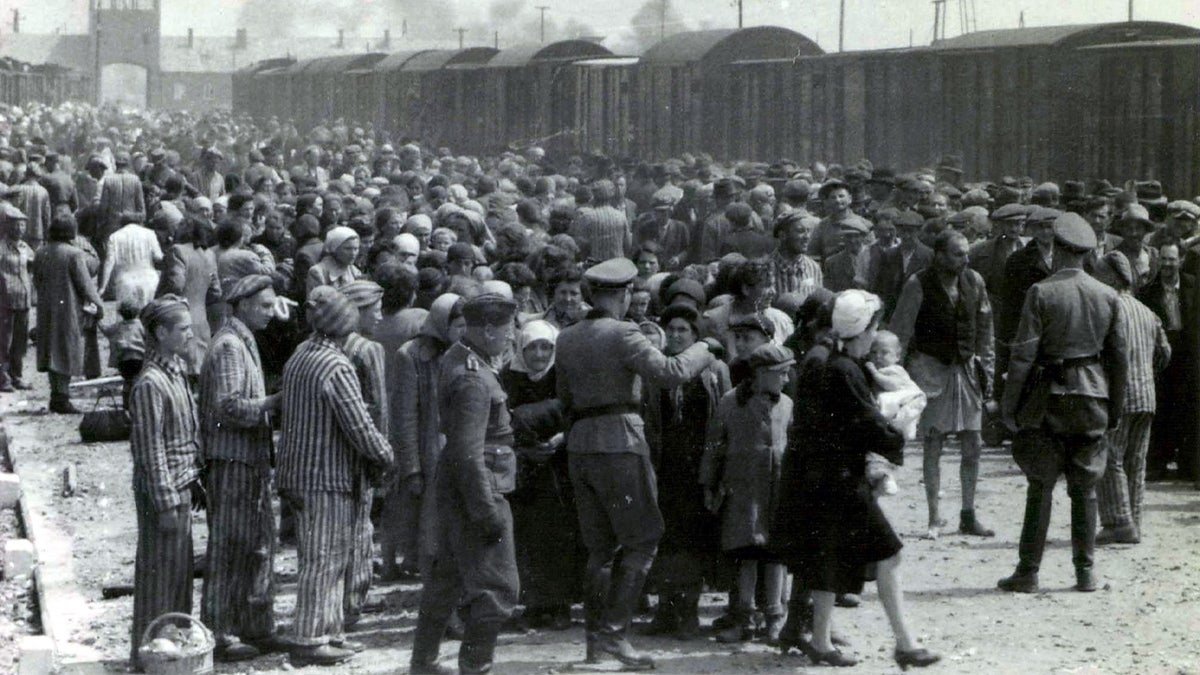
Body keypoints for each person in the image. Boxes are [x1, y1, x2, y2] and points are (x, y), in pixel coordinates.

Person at [555, 257, 717, 669]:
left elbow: (566, 398)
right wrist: (705, 346)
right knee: (643, 539)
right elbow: (670, 371)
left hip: (581, 446)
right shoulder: (624, 332)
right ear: (624, 294)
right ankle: (615, 637)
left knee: (600, 549)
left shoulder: (568, 336)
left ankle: (596, 644)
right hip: (620, 443)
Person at [782, 290, 939, 669]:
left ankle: (820, 641)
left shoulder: (832, 363)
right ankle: (904, 643)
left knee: (826, 559)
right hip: (841, 481)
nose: (875, 335)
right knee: (890, 553)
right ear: (863, 329)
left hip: (822, 479)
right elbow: (868, 425)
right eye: (873, 327)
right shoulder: (846, 370)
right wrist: (897, 434)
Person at [999, 212, 1128, 594]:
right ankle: (1085, 571)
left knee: (1040, 485)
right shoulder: (1107, 295)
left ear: (1055, 249)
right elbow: (1118, 358)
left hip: (1048, 398)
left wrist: (1009, 405)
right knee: (1084, 489)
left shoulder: (1040, 292)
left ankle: (1028, 570)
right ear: (1086, 253)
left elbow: (1022, 358)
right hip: (1093, 397)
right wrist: (1115, 409)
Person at [276, 286, 393, 666]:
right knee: (324, 559)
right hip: (326, 476)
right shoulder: (336, 366)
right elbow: (358, 426)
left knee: (322, 556)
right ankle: (310, 637)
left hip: (297, 471)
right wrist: (386, 454)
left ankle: (330, 631)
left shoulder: (300, 355)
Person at [409, 293, 521, 675]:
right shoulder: (474, 378)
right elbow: (469, 453)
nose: (512, 337)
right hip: (480, 489)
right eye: (508, 330)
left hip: (459, 489)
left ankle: (423, 663)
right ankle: (475, 668)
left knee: (447, 579)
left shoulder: (459, 356)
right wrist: (486, 511)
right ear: (488, 330)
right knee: (498, 589)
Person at [889, 230, 995, 539]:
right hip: (931, 371)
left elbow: (986, 331)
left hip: (965, 371)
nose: (964, 260)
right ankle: (934, 518)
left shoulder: (975, 281)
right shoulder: (917, 284)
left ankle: (968, 513)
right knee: (933, 444)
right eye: (957, 254)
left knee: (973, 443)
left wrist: (986, 370)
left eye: (966, 254)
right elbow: (901, 331)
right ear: (939, 255)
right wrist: (900, 380)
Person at [198, 275, 282, 661]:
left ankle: (251, 624)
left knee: (253, 545)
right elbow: (228, 407)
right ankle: (220, 631)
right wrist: (273, 404)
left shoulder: (242, 339)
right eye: (265, 305)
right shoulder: (230, 346)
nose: (271, 312)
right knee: (229, 547)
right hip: (231, 460)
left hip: (247, 459)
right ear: (243, 303)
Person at [641, 304, 730, 640]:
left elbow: (723, 420)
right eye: (672, 329)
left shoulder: (714, 369)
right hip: (666, 466)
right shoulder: (658, 370)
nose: (677, 336)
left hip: (699, 466)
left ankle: (689, 612)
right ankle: (665, 610)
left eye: (684, 330)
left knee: (695, 540)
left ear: (696, 337)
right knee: (666, 538)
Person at [128, 295, 202, 670]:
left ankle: (170, 649)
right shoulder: (150, 384)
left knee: (177, 576)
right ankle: (149, 655)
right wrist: (167, 502)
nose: (190, 335)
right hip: (165, 494)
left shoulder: (174, 371)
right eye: (184, 329)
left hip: (181, 486)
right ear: (161, 332)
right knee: (159, 577)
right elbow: (151, 451)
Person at [702, 343, 793, 644]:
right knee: (747, 554)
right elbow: (714, 444)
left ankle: (775, 619)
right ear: (761, 374)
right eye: (781, 374)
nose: (787, 379)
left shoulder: (787, 404)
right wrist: (708, 483)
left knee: (775, 555)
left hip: (777, 491)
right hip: (743, 491)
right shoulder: (731, 402)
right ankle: (745, 618)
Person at [500, 319, 576, 631]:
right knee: (528, 536)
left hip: (559, 465)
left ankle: (560, 605)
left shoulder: (564, 376)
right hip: (524, 466)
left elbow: (574, 413)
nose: (540, 354)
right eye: (533, 348)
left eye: (547, 347)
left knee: (559, 534)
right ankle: (533, 604)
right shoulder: (509, 378)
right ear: (521, 349)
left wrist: (561, 438)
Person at [1089, 252, 1169, 545]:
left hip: (1118, 395)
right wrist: (1147, 370)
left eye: (1099, 273)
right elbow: (1165, 352)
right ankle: (1134, 520)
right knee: (1137, 460)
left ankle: (1118, 521)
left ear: (1112, 276)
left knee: (1110, 456)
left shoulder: (1108, 307)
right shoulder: (1146, 311)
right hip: (1147, 394)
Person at [389, 294, 466, 584]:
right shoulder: (411, 356)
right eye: (458, 325)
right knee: (433, 533)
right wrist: (411, 468)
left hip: (463, 452)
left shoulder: (470, 353)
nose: (463, 331)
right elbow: (404, 417)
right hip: (431, 455)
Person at [338, 279, 389, 628]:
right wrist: (382, 452)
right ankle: (353, 600)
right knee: (361, 523)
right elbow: (380, 407)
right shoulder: (367, 349)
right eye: (376, 310)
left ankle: (347, 598)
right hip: (365, 443)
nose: (380, 317)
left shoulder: (335, 344)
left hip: (339, 446)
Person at [1138, 244, 1198, 482]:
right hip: (1162, 354)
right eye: (1163, 259)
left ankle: (1188, 465)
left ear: (1181, 260)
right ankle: (1158, 462)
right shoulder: (1147, 292)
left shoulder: (1194, 285)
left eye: (1172, 259)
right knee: (1162, 407)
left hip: (1189, 352)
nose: (1167, 265)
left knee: (1188, 408)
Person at [34, 215, 105, 413]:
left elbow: (37, 281)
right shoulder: (74, 254)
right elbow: (85, 285)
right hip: (68, 308)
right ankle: (62, 398)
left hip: (46, 307)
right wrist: (99, 306)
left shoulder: (41, 253)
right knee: (65, 349)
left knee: (51, 350)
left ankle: (56, 395)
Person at [156, 216, 221, 376]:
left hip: (178, 321)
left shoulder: (177, 251)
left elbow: (176, 284)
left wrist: (159, 301)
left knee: (176, 373)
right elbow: (216, 292)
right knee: (198, 373)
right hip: (201, 322)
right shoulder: (209, 255)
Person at [0, 205, 34, 392]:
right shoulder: (1, 247)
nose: (20, 229)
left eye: (22, 226)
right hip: (5, 301)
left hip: (24, 299)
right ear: (7, 227)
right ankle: (3, 378)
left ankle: (16, 376)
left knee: (20, 342)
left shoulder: (24, 247)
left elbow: (34, 263)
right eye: (16, 226)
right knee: (4, 341)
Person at [99, 213, 163, 305]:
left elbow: (109, 263)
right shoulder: (149, 233)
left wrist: (103, 287)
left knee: (127, 315)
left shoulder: (114, 237)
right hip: (149, 280)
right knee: (150, 314)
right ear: (140, 223)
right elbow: (158, 257)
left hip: (125, 282)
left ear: (121, 224)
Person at [769, 211, 823, 303]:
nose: (807, 237)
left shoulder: (813, 267)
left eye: (808, 231)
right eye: (800, 231)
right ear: (783, 236)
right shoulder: (766, 269)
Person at [306, 226, 363, 298]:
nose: (353, 253)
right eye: (347, 249)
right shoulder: (318, 272)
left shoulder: (355, 272)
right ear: (335, 248)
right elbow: (314, 305)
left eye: (356, 249)